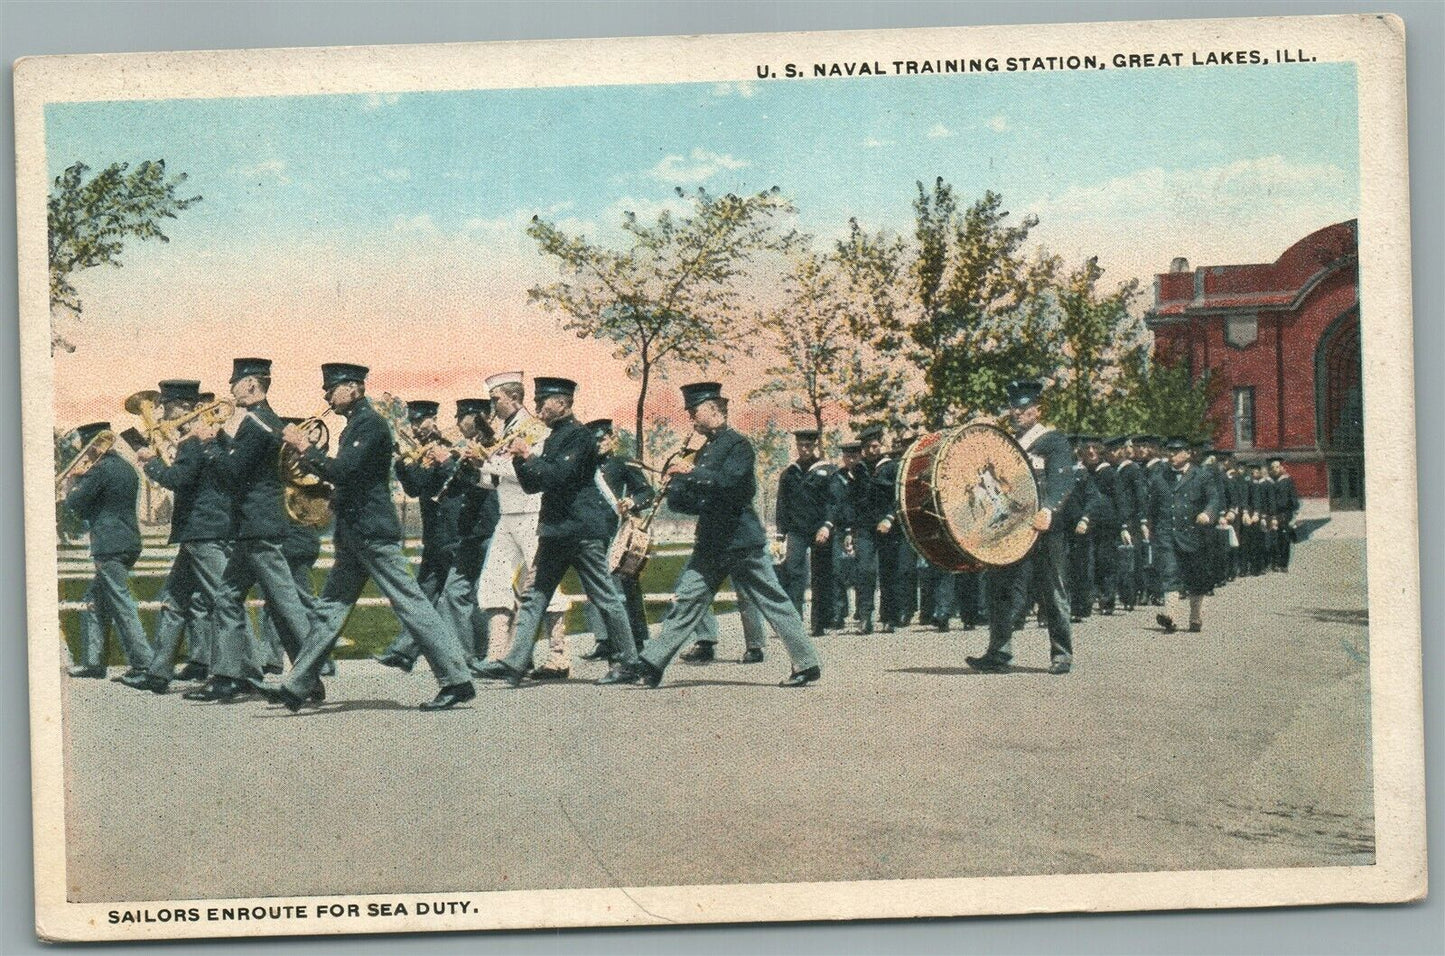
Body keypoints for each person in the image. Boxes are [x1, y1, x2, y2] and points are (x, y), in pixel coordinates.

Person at [273, 363, 475, 711]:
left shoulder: (369, 424)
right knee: (328, 611)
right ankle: (296, 686)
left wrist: (305, 447)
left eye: (332, 388)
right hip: (356, 533)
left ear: (354, 389)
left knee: (411, 604)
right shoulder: (356, 425)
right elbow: (354, 478)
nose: (326, 395)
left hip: (371, 532)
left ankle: (457, 680)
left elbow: (344, 470)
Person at [602, 382, 822, 688]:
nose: (691, 416)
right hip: (711, 543)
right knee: (687, 600)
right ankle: (652, 664)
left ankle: (807, 663)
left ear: (714, 409)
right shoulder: (703, 449)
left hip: (742, 542)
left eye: (695, 410)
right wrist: (673, 488)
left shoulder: (738, 446)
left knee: (773, 601)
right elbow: (691, 500)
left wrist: (689, 473)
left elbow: (731, 484)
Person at [475, 378, 640, 687]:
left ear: (564, 403)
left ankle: (627, 661)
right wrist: (519, 458)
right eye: (537, 400)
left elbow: (557, 476)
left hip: (580, 531)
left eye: (544, 400)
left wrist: (527, 456)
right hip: (555, 531)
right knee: (533, 595)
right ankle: (513, 662)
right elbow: (533, 483)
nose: (537, 406)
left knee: (603, 596)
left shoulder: (581, 438)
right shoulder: (552, 438)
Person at [181, 358, 318, 702]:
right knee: (228, 598)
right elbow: (242, 464)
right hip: (251, 527)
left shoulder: (256, 423)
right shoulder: (261, 422)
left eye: (236, 383)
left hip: (259, 526)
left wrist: (208, 442)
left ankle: (309, 676)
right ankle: (226, 677)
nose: (230, 390)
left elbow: (231, 472)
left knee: (285, 604)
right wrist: (223, 439)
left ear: (253, 385)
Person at [123, 380, 233, 693]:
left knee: (223, 600)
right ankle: (159, 674)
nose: (161, 413)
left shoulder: (195, 438)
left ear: (182, 407)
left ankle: (241, 671)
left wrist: (151, 464)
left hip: (202, 531)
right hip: (197, 531)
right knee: (174, 601)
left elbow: (179, 479)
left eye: (166, 406)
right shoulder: (203, 436)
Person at [965, 379, 1077, 675]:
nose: (1016, 413)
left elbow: (1063, 480)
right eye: (1013, 407)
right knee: (1000, 589)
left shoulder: (1053, 441)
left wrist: (1050, 510)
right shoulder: (1005, 444)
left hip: (1044, 529)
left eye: (1023, 407)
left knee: (1053, 591)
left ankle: (1062, 654)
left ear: (1037, 410)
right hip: (1011, 530)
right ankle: (998, 652)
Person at [473, 372, 570, 673]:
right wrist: (475, 468)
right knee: (493, 582)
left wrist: (489, 462)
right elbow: (495, 481)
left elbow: (530, 473)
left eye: (496, 400)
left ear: (514, 397)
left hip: (531, 513)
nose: (492, 406)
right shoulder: (505, 429)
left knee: (544, 583)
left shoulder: (534, 428)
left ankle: (559, 655)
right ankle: (499, 654)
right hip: (508, 515)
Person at [373, 400, 464, 668]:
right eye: (412, 422)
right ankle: (404, 651)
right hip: (435, 535)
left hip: (454, 530)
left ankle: (467, 654)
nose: (415, 428)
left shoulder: (449, 445)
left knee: (455, 597)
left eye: (420, 422)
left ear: (433, 419)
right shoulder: (421, 451)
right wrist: (402, 462)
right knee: (424, 596)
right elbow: (415, 489)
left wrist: (436, 451)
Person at [60, 421, 152, 678]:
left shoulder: (97, 471)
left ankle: (143, 662)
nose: (84, 452)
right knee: (94, 601)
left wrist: (72, 481)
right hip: (128, 541)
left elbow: (75, 504)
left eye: (85, 446)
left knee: (121, 604)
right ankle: (94, 662)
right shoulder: (126, 467)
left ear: (93, 444)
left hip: (109, 545)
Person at [580, 418, 655, 659]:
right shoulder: (584, 467)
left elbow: (647, 492)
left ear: (612, 439)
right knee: (593, 585)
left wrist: (632, 502)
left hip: (619, 533)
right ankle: (602, 639)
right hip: (593, 530)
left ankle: (637, 637)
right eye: (594, 441)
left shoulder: (623, 463)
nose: (598, 444)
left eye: (602, 439)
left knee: (625, 585)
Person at [1150, 437, 1222, 633]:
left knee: (1196, 578)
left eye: (1176, 451)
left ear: (1188, 453)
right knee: (1169, 573)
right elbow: (1153, 506)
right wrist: (1151, 529)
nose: (1171, 456)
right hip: (1167, 534)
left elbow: (1214, 499)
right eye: (1169, 452)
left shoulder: (1202, 476)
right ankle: (1170, 617)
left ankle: (1195, 616)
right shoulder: (1159, 476)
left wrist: (1207, 513)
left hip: (1194, 535)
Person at [774, 429, 838, 638]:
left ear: (815, 447)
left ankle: (820, 622)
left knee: (821, 574)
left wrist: (827, 525)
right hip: (797, 530)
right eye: (801, 445)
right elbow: (782, 505)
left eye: (808, 446)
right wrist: (780, 534)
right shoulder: (789, 473)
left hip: (820, 530)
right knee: (793, 572)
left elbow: (833, 502)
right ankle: (794, 621)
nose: (804, 449)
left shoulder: (828, 471)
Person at [845, 425, 890, 635]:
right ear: (863, 449)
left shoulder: (891, 467)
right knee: (864, 571)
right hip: (864, 527)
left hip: (887, 526)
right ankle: (865, 616)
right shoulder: (857, 470)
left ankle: (889, 617)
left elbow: (896, 499)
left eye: (876, 446)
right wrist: (849, 530)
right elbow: (851, 502)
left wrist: (889, 519)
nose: (873, 450)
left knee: (889, 571)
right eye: (869, 447)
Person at [1269, 458, 1301, 571]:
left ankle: (1283, 564)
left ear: (1281, 468)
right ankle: (1275, 563)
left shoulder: (1287, 481)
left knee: (1284, 539)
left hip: (1285, 513)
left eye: (1277, 467)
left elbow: (1293, 497)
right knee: (1274, 538)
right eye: (1272, 467)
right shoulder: (1270, 481)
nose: (1275, 469)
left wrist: (1295, 512)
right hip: (1272, 513)